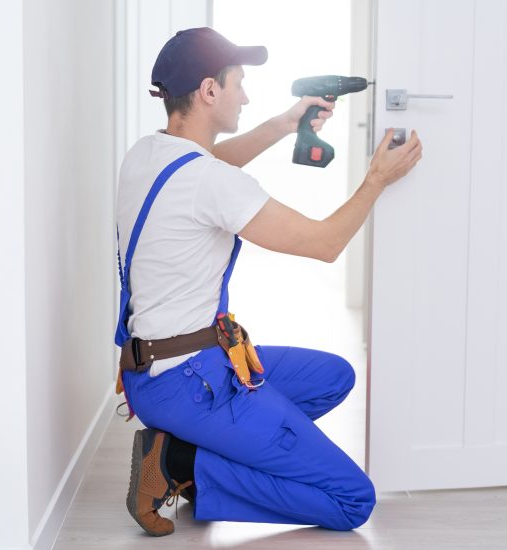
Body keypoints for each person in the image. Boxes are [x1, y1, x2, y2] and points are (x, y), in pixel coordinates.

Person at [115, 27, 421, 537]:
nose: (247, 94)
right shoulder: (209, 181)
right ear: (210, 90)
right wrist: (377, 180)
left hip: (157, 371)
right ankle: (182, 466)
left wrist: (285, 123)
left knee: (333, 377)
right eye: (238, 82)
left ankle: (195, 451)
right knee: (351, 500)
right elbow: (324, 244)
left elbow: (212, 165)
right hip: (189, 383)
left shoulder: (148, 155)